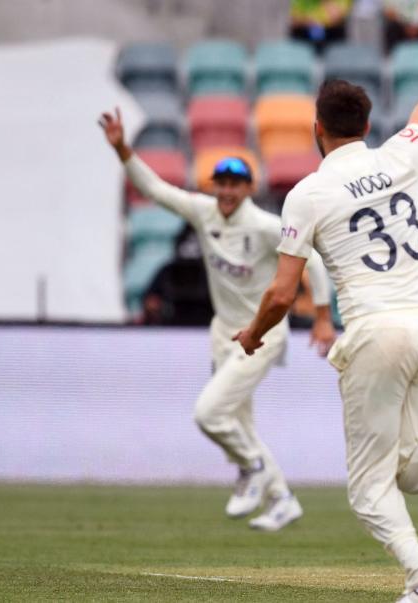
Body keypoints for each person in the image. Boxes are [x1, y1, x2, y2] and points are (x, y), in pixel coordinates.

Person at [234, 2, 418, 601]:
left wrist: (254, 333)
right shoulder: (399, 155)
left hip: (374, 333)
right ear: (365, 123)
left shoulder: (307, 194)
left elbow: (284, 292)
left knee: (368, 490)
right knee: (409, 470)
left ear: (318, 130)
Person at [98, 110, 337, 531]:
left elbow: (313, 262)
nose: (227, 191)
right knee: (239, 423)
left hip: (261, 335)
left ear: (249, 188)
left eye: (235, 184)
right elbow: (153, 187)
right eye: (221, 183)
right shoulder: (202, 211)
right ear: (215, 186)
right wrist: (122, 149)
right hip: (222, 333)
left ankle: (254, 470)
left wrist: (321, 316)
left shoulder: (264, 225)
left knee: (209, 414)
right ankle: (282, 498)